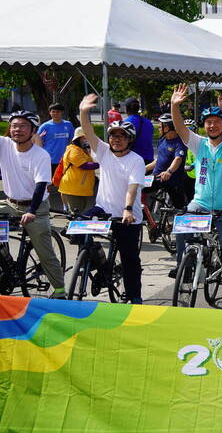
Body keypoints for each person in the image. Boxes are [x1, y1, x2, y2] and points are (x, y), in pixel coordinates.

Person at [170, 84, 222, 310]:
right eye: (208, 122)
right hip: (200, 204)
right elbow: (180, 128)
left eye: (217, 122)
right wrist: (174, 106)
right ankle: (188, 264)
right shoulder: (198, 144)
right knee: (180, 227)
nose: (212, 125)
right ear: (204, 126)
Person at [78, 94, 146, 304]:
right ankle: (101, 264)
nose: (116, 139)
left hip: (127, 216)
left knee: (130, 261)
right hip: (102, 209)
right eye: (113, 135)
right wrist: (83, 112)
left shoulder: (136, 160)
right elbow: (88, 133)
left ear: (129, 140)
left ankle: (135, 297)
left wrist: (127, 209)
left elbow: (132, 187)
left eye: (122, 136)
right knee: (75, 229)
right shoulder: (104, 152)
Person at [0, 110, 66, 298]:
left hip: (35, 207)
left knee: (44, 252)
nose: (17, 130)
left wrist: (32, 211)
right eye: (14, 126)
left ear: (33, 130)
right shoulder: (4, 145)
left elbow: (40, 187)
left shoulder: (40, 155)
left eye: (23, 126)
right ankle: (7, 263)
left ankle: (60, 290)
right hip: (11, 203)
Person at [145, 113, 187, 218]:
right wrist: (144, 168)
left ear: (167, 127)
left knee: (180, 209)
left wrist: (169, 171)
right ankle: (145, 217)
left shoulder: (179, 143)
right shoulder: (162, 140)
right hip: (158, 178)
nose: (158, 129)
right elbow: (159, 160)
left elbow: (178, 159)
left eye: (160, 126)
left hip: (172, 180)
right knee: (138, 187)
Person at [58, 127, 98, 213]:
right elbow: (84, 165)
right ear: (78, 138)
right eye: (85, 137)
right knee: (76, 214)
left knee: (79, 213)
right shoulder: (73, 150)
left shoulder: (82, 150)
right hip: (73, 189)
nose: (87, 139)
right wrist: (100, 164)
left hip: (79, 188)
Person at [37, 103, 74, 173]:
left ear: (62, 112)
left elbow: (72, 140)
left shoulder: (68, 124)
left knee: (63, 182)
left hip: (65, 159)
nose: (55, 114)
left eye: (58, 112)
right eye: (53, 111)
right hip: (49, 160)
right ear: (50, 113)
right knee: (50, 183)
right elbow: (37, 142)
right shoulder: (45, 126)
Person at [123, 97, 154, 164]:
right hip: (149, 159)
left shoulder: (126, 123)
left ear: (126, 109)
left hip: (133, 159)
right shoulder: (148, 122)